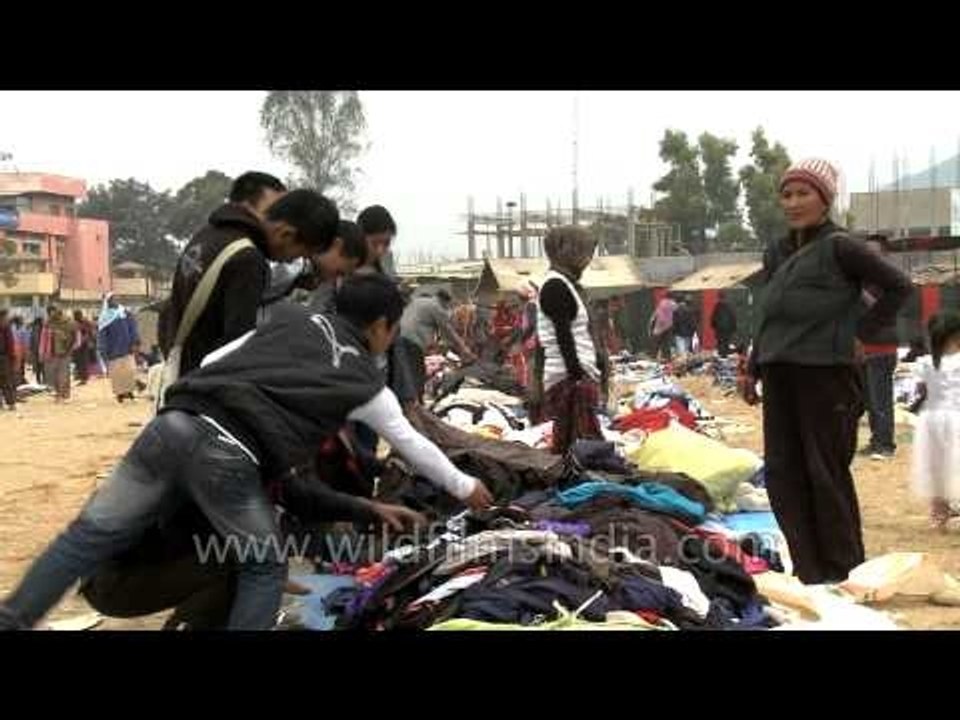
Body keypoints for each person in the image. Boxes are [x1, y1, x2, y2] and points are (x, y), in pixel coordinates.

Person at [0, 273, 494, 631]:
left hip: (175, 422)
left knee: (87, 534)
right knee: (264, 564)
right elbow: (411, 441)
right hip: (222, 454)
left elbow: (217, 359)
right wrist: (467, 487)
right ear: (382, 326)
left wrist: (367, 508)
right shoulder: (362, 377)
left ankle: (13, 617)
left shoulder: (288, 320)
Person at [746, 158, 913, 585]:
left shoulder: (842, 247)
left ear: (825, 199)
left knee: (825, 472)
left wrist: (863, 332)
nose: (793, 202)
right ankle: (809, 569)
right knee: (784, 472)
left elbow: (899, 287)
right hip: (779, 372)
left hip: (827, 375)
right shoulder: (776, 251)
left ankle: (843, 570)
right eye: (787, 194)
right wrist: (752, 366)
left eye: (803, 193)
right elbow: (768, 313)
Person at [537, 225, 605, 454]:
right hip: (569, 377)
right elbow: (563, 335)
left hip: (573, 375)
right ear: (567, 251)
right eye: (584, 252)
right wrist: (576, 375)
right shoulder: (555, 286)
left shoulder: (565, 285)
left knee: (570, 443)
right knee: (584, 443)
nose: (587, 260)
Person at [910, 311, 960, 531]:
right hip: (956, 418)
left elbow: (920, 389)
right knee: (954, 464)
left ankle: (939, 512)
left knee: (935, 466)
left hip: (930, 421)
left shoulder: (925, 363)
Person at [857, 235, 905, 461]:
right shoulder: (865, 280)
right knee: (869, 401)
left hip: (882, 349)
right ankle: (876, 440)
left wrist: (859, 292)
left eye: (874, 252)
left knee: (881, 401)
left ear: (885, 255)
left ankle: (885, 444)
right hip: (864, 348)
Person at [399, 289, 478, 401]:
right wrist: (466, 351)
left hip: (399, 340)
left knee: (405, 375)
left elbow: (422, 325)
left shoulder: (418, 301)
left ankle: (409, 400)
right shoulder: (436, 307)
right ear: (444, 301)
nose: (448, 309)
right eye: (447, 306)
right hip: (413, 345)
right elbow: (449, 332)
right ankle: (415, 402)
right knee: (416, 376)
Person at [97, 293, 140, 403]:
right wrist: (103, 348)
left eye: (117, 299)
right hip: (113, 349)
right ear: (108, 302)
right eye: (113, 299)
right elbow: (102, 335)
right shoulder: (104, 317)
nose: (116, 301)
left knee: (129, 370)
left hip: (127, 347)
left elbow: (132, 327)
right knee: (117, 373)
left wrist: (135, 341)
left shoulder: (125, 312)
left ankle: (129, 391)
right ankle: (120, 393)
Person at [40, 306, 77, 402]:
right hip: (52, 353)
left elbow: (74, 337)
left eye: (54, 314)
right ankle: (59, 393)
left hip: (65, 352)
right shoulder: (48, 323)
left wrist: (68, 349)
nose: (52, 316)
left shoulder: (69, 323)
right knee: (54, 375)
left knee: (63, 375)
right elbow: (44, 338)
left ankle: (63, 394)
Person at [649, 294, 678, 361]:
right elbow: (676, 311)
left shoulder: (661, 302)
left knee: (656, 343)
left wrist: (651, 325)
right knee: (666, 343)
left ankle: (653, 356)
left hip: (659, 326)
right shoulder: (673, 304)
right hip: (669, 325)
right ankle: (667, 357)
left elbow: (655, 315)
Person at [710, 292, 737, 358]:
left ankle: (722, 354)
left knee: (720, 341)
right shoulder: (729, 306)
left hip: (719, 329)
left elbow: (713, 317)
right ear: (725, 297)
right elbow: (733, 317)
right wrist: (734, 327)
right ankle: (725, 354)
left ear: (719, 297)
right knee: (726, 341)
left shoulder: (717, 306)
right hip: (728, 329)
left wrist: (713, 326)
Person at [72, 310, 94, 385]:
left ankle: (84, 378)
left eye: (76, 315)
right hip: (79, 345)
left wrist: (87, 339)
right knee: (80, 362)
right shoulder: (78, 323)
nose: (75, 317)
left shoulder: (84, 322)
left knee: (83, 362)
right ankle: (82, 377)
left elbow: (90, 332)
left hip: (83, 345)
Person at [0, 310, 16, 410]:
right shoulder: (6, 328)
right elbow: (10, 343)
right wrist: (12, 357)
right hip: (4, 357)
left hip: (4, 356)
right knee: (7, 380)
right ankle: (11, 404)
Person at [10, 316, 28, 387]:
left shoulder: (12, 328)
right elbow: (25, 341)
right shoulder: (21, 329)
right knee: (18, 366)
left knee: (17, 366)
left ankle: (18, 380)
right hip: (18, 349)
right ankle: (18, 381)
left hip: (16, 349)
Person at [29, 317, 44, 385]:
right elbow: (32, 340)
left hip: (39, 350)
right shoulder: (35, 330)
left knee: (40, 366)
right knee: (39, 366)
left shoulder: (35, 330)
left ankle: (40, 380)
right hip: (38, 350)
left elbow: (31, 340)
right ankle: (39, 380)